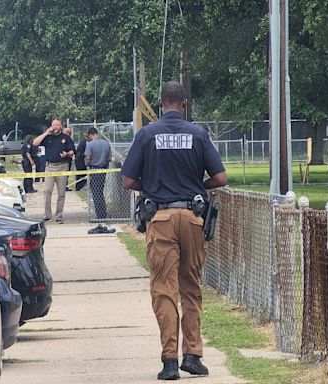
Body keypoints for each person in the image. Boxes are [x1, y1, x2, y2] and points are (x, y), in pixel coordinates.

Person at [121, 81, 227, 380]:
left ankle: (169, 361)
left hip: (162, 218)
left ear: (161, 102)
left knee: (164, 289)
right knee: (190, 287)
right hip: (193, 218)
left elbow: (128, 181)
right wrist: (198, 187)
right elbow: (220, 177)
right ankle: (193, 355)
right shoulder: (198, 134)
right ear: (184, 104)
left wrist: (152, 186)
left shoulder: (146, 135)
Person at [33, 118, 75, 223]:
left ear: (61, 126)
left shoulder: (66, 137)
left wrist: (67, 154)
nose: (55, 127)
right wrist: (46, 132)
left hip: (62, 166)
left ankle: (59, 216)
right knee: (47, 191)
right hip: (50, 167)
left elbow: (72, 150)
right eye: (53, 125)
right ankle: (47, 214)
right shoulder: (48, 137)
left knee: (61, 193)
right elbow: (35, 143)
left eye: (57, 125)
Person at [85, 128, 112, 219]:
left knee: (96, 193)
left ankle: (100, 215)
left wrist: (87, 163)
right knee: (100, 191)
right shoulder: (106, 143)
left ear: (90, 135)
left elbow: (88, 158)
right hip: (103, 169)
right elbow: (110, 158)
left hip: (94, 169)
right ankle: (103, 213)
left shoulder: (90, 145)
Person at [63, 127, 74, 191]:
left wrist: (68, 153)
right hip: (59, 161)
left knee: (67, 174)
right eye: (67, 132)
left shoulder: (70, 140)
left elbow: (72, 150)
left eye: (69, 132)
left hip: (68, 160)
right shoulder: (60, 139)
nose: (68, 134)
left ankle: (65, 186)